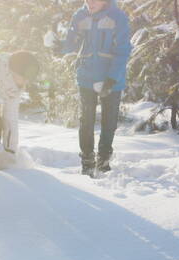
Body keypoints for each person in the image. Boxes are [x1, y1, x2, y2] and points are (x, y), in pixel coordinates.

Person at [54, 0, 132, 177]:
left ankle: (103, 160)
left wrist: (111, 79)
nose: (90, 2)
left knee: (109, 120)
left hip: (111, 78)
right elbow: (71, 43)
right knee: (86, 119)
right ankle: (87, 161)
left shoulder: (117, 17)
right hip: (87, 77)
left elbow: (123, 50)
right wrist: (60, 46)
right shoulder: (80, 16)